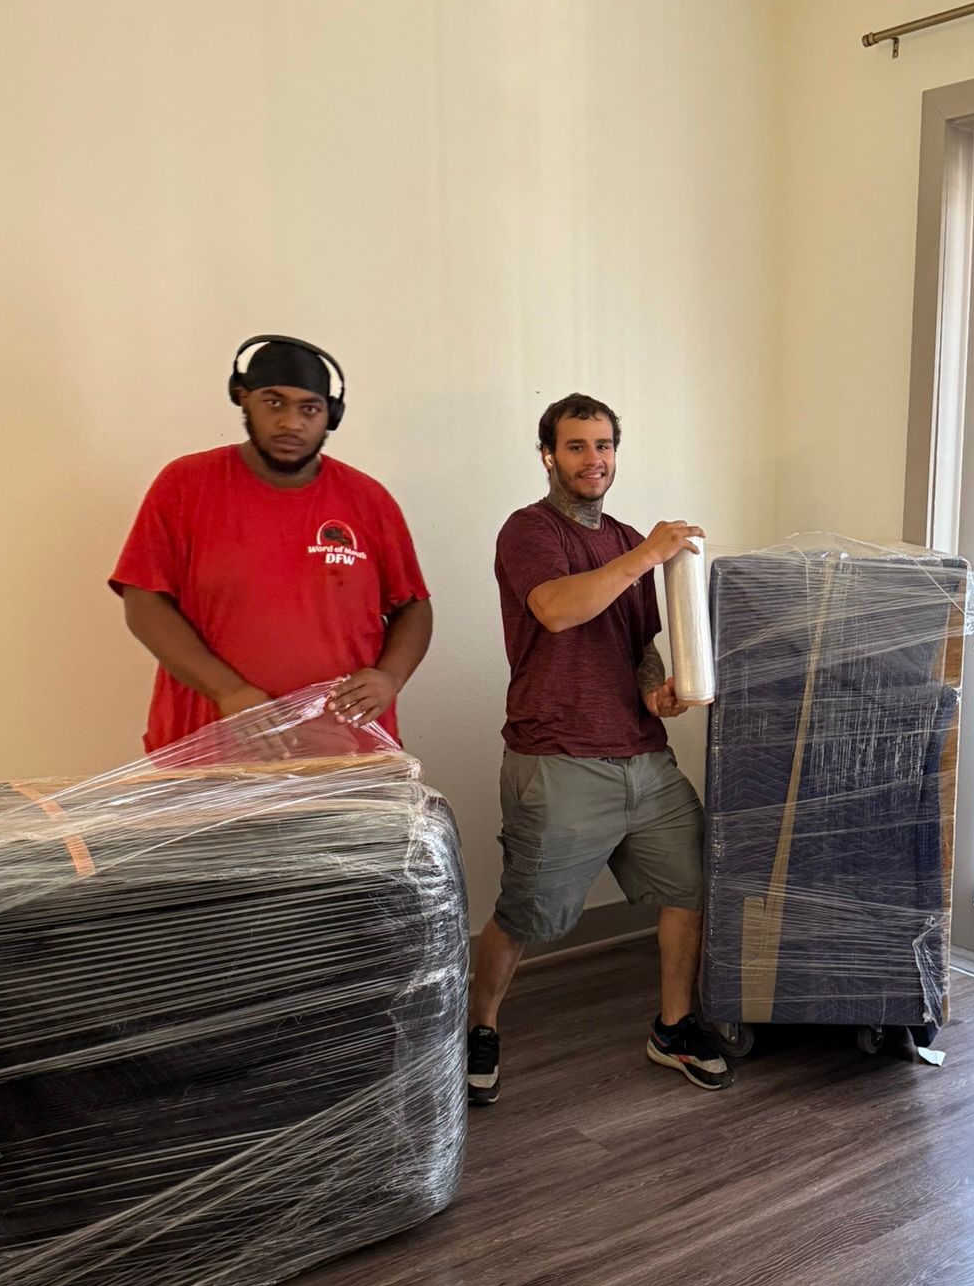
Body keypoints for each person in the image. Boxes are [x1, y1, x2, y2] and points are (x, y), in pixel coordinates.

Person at [467, 393, 731, 1104]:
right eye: (578, 446)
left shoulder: (622, 539)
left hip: (642, 757)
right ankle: (477, 1028)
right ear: (549, 454)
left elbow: (637, 643)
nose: (595, 460)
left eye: (605, 445)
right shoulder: (528, 531)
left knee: (690, 886)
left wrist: (657, 693)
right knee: (528, 914)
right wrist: (647, 553)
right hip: (558, 759)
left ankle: (672, 1027)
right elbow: (557, 610)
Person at [111, 334, 433, 750]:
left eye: (309, 408)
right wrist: (227, 690)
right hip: (209, 750)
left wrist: (389, 677)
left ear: (330, 416)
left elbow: (413, 606)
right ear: (243, 398)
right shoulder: (185, 485)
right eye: (274, 402)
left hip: (345, 755)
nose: (291, 423)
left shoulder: (368, 500)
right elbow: (144, 601)